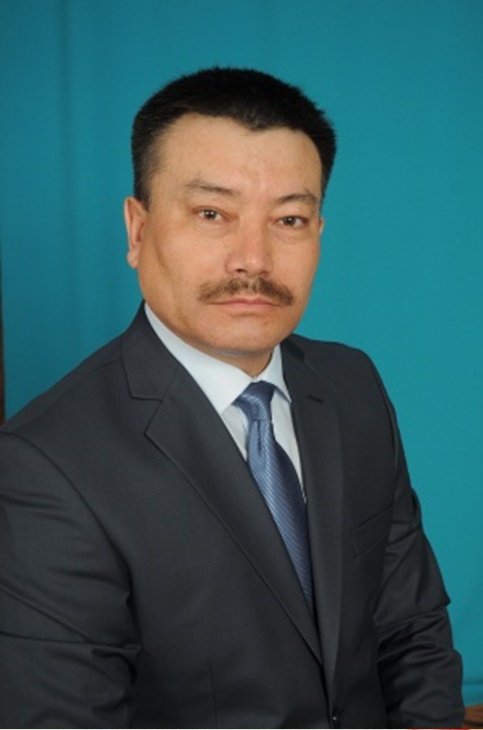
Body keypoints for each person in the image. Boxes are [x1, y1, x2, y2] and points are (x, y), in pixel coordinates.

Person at [0, 67, 463, 729]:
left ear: (319, 231)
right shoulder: (42, 466)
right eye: (212, 214)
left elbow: (412, 633)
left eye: (288, 219)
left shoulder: (352, 384)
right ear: (137, 230)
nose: (253, 259)